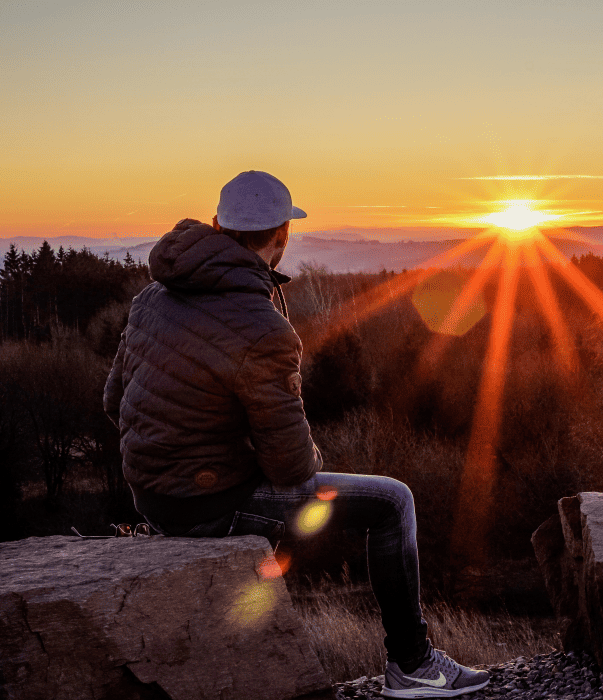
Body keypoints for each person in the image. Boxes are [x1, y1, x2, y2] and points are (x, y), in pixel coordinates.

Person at [103, 171, 489, 698]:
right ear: (282, 236)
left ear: (217, 224)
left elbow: (113, 402)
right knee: (392, 502)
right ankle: (414, 665)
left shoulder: (151, 298)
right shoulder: (262, 327)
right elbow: (290, 467)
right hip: (208, 505)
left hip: (150, 496)